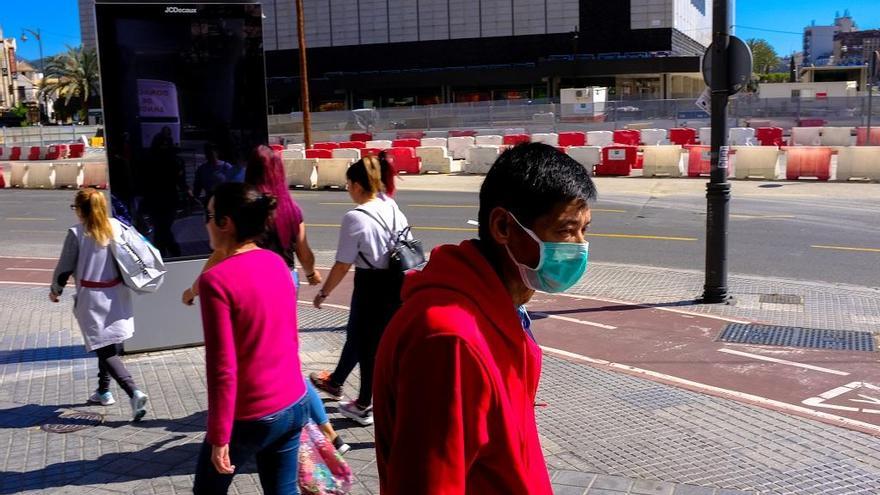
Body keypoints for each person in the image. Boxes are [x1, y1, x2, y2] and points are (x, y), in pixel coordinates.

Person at [372, 143, 596, 494]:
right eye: (566, 231)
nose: (579, 246)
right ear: (504, 226)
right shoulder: (449, 340)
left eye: (585, 230)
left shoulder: (503, 306)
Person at [193, 182, 309, 494]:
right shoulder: (276, 263)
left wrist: (219, 436)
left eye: (209, 215)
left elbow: (223, 367)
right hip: (293, 401)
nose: (205, 223)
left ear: (225, 223)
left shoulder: (215, 281)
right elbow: (289, 339)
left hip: (252, 415)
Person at [310, 153, 405, 427]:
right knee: (376, 343)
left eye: (349, 184)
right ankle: (360, 393)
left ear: (358, 185)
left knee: (367, 347)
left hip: (371, 286)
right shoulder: (390, 204)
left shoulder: (355, 217)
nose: (348, 190)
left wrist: (323, 293)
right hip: (396, 281)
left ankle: (364, 405)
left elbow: (341, 265)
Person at [50, 188, 149, 421]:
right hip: (117, 295)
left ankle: (133, 391)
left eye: (75, 208)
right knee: (109, 344)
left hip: (93, 299)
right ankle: (104, 391)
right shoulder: (116, 227)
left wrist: (55, 290)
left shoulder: (77, 233)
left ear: (81, 210)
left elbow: (64, 268)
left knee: (103, 348)